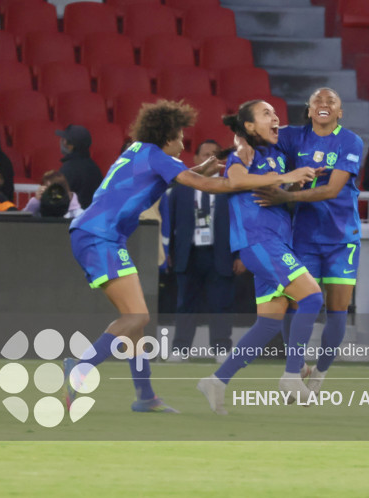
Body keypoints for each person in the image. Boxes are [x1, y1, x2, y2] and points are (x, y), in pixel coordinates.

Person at [63, 100, 303, 414]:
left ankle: (145, 396)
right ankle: (80, 369)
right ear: (167, 137)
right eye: (180, 137)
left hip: (97, 234)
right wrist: (258, 179)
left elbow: (173, 176)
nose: (182, 144)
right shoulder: (158, 157)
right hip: (99, 236)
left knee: (136, 320)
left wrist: (203, 169)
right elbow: (202, 185)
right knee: (136, 318)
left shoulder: (140, 151)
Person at [196, 100, 323, 414]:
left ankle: (217, 380)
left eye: (275, 113)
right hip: (259, 242)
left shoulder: (274, 155)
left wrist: (293, 181)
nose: (275, 117)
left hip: (275, 241)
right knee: (311, 297)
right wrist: (286, 176)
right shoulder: (243, 153)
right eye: (266, 114)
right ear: (250, 126)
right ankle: (292, 375)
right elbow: (237, 180)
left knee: (268, 324)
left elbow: (273, 186)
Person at [251, 88, 364, 394]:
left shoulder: (350, 141)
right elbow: (259, 139)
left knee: (337, 309)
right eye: (318, 100)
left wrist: (286, 196)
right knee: (297, 302)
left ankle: (321, 372)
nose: (324, 104)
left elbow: (331, 190)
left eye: (331, 101)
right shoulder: (293, 137)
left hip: (342, 238)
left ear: (339, 112)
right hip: (304, 235)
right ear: (310, 109)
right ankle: (297, 365)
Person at [168, 139, 243, 362]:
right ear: (196, 159)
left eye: (215, 154)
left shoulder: (230, 187)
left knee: (221, 303)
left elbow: (240, 224)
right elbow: (171, 223)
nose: (210, 158)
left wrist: (240, 255)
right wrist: (169, 252)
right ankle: (180, 349)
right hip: (188, 253)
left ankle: (221, 348)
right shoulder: (181, 189)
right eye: (205, 154)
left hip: (220, 253)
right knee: (185, 304)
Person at [56, 124, 103, 209]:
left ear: (70, 145)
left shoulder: (68, 169)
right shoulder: (95, 168)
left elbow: (57, 201)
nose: (62, 142)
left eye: (64, 139)